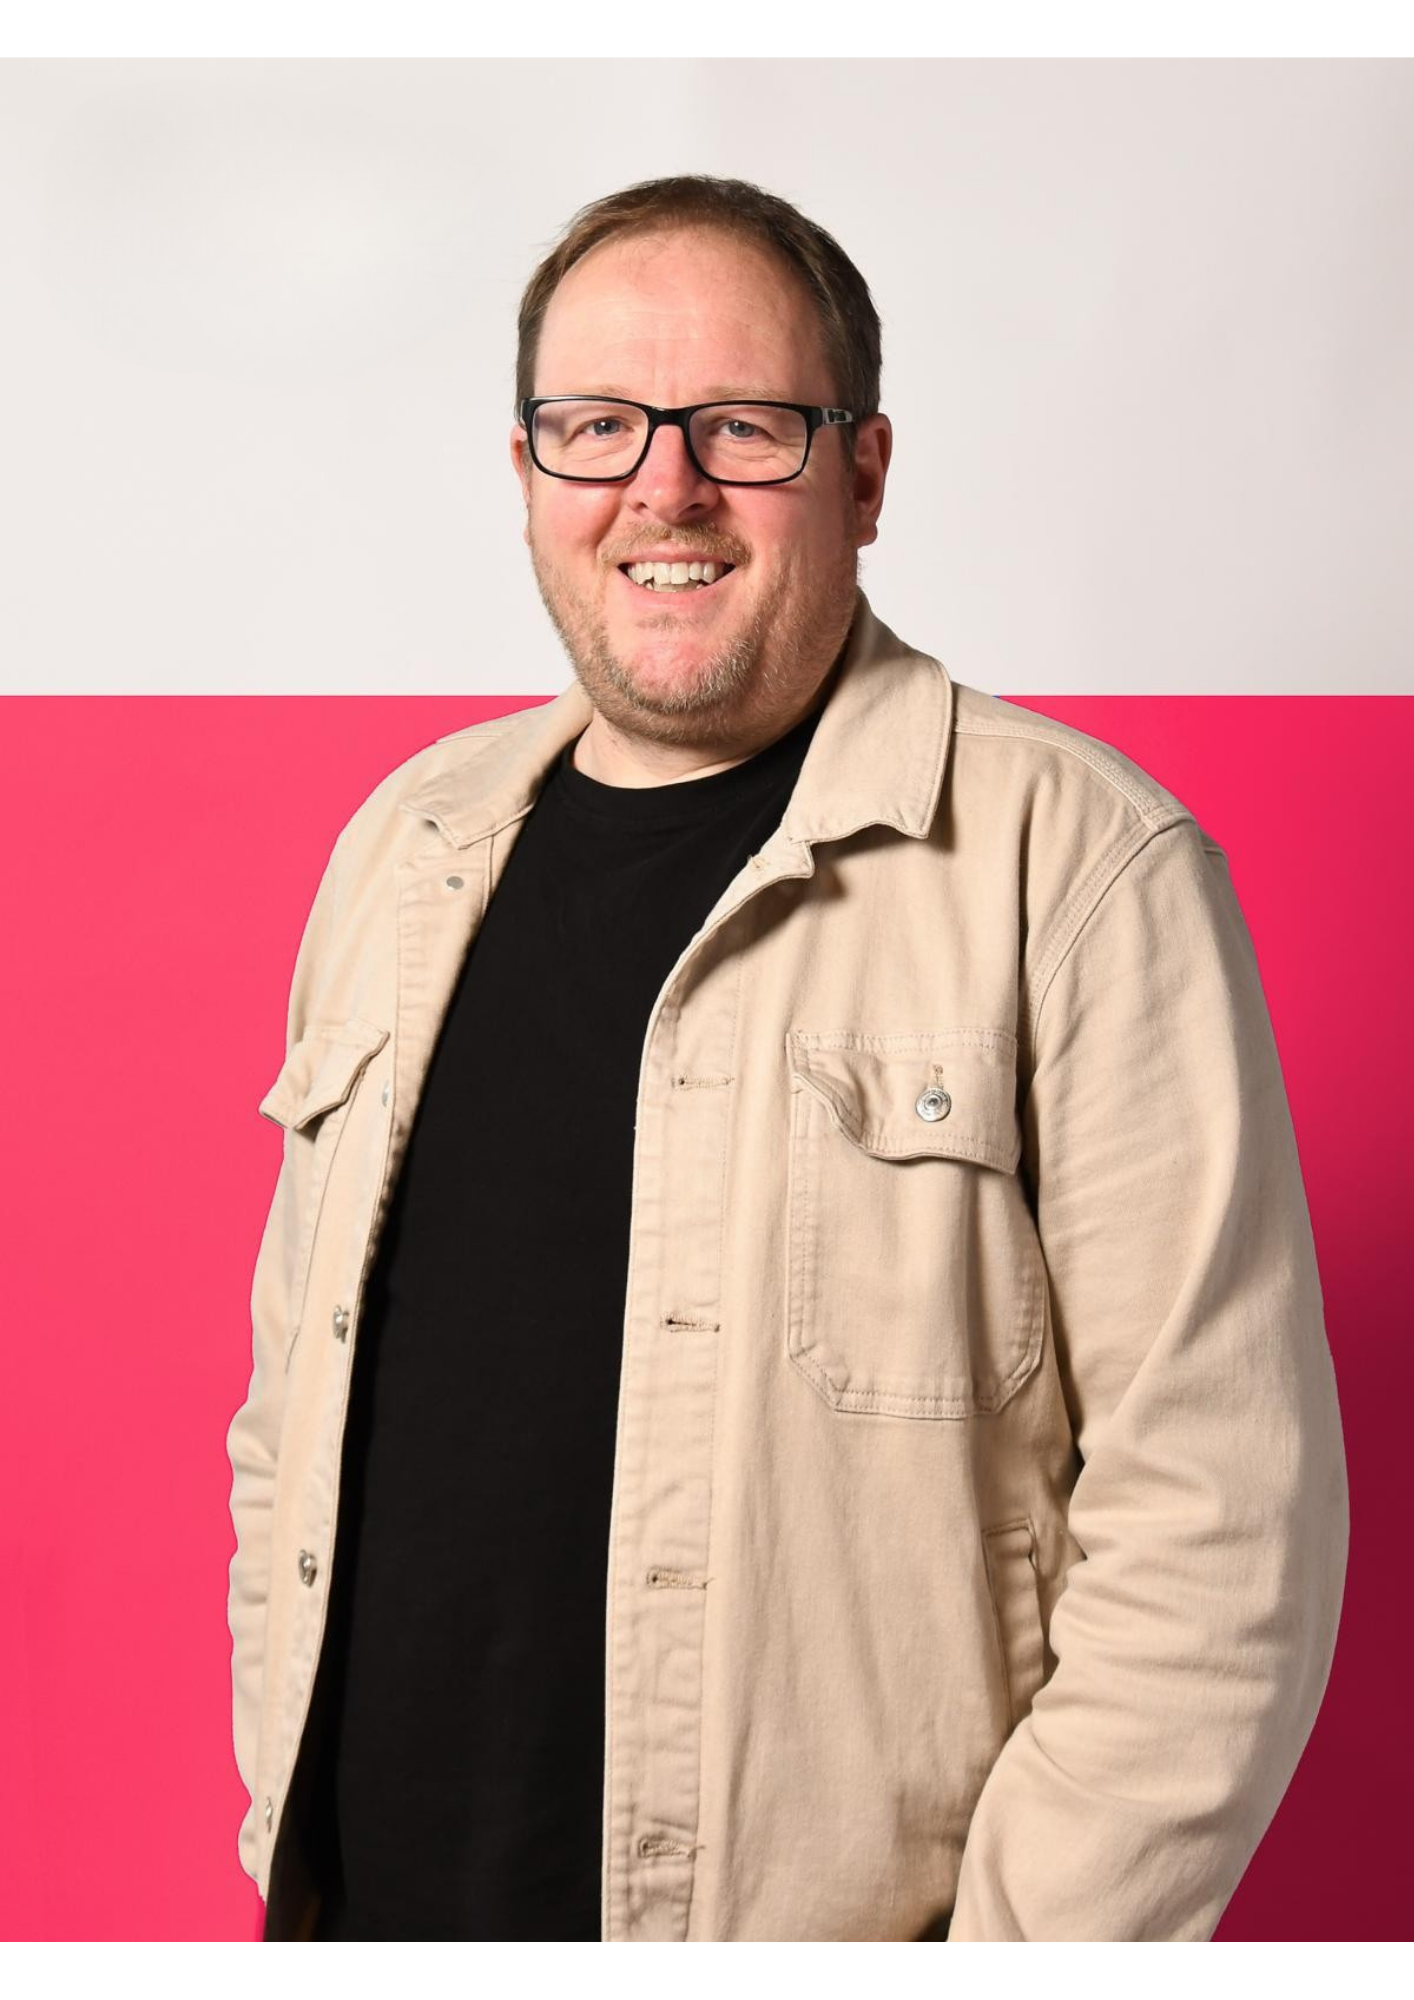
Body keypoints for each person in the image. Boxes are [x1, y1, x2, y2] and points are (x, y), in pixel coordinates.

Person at [224, 173, 1350, 1944]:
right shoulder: (404, 847)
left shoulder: (1077, 867)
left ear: (865, 473)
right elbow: (289, 1411)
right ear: (526, 470)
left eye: (742, 425)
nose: (662, 488)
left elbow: (1221, 1526)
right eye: (596, 425)